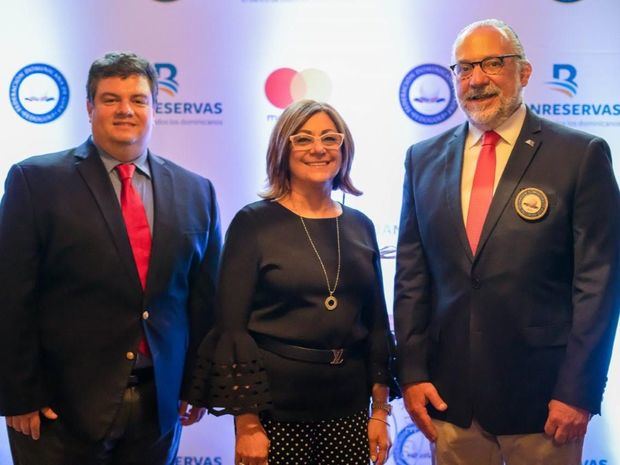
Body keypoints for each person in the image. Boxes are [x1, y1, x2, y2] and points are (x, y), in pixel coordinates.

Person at [394, 18, 620, 465]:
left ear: (525, 73)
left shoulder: (579, 155)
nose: (476, 79)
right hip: (450, 403)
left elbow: (600, 283)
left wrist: (578, 391)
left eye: (493, 63)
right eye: (464, 68)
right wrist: (413, 372)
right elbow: (412, 277)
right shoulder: (422, 159)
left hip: (545, 404)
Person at [0, 51, 222, 465]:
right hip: (58, 411)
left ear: (155, 109)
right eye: (110, 99)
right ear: (89, 108)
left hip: (159, 409)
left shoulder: (197, 191)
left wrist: (198, 383)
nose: (125, 110)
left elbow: (203, 301)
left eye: (138, 99)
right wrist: (19, 393)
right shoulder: (35, 182)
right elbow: (11, 295)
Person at [190, 99, 395, 465]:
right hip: (275, 414)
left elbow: (377, 325)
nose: (318, 148)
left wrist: (380, 412)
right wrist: (247, 425)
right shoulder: (253, 224)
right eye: (303, 139)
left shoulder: (360, 225)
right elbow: (232, 330)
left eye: (330, 138)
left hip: (349, 410)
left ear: (344, 149)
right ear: (283, 149)